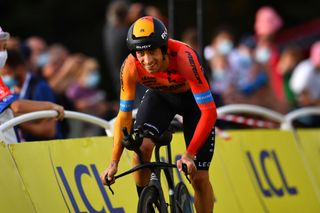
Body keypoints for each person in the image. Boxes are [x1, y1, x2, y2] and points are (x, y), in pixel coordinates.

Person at [100, 16, 217, 212]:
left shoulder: (184, 58)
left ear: (163, 49)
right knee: (140, 149)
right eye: (141, 54)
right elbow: (124, 117)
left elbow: (209, 112)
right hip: (161, 98)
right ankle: (146, 204)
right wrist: (114, 163)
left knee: (199, 177)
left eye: (152, 51)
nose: (147, 61)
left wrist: (189, 154)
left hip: (193, 103)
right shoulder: (129, 66)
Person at [0, 26, 64, 144]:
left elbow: (49, 130)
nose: (3, 54)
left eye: (4, 48)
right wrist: (50, 106)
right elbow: (16, 106)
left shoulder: (39, 87)